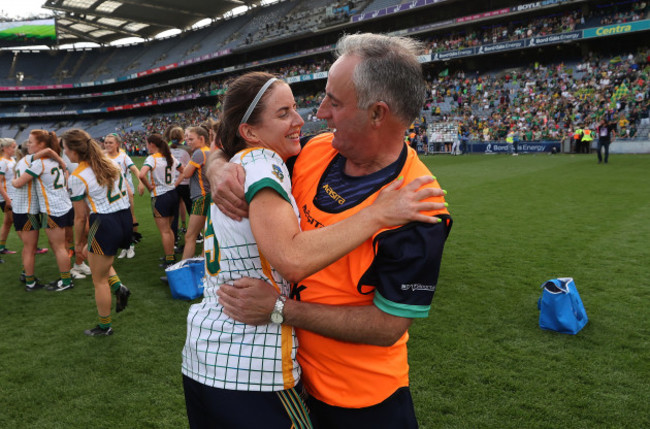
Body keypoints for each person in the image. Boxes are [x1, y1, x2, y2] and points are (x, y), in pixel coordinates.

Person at [210, 34, 451, 428]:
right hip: (289, 378)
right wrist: (219, 169)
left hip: (361, 401)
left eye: (334, 103)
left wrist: (279, 309)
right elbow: (237, 143)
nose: (319, 112)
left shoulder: (420, 209)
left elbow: (387, 327)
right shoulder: (315, 151)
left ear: (377, 113)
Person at [62, 129, 132, 336]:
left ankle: (105, 326)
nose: (65, 153)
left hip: (104, 222)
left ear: (74, 151)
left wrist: (78, 244)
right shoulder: (111, 162)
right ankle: (120, 288)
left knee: (98, 280)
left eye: (65, 149)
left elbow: (80, 217)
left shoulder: (77, 176)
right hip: (124, 218)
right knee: (101, 263)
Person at [12, 130, 74, 291]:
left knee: (55, 246)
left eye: (31, 142)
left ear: (41, 144)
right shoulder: (50, 161)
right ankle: (33, 277)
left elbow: (17, 183)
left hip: (50, 209)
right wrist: (61, 160)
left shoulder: (37, 162)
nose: (28, 144)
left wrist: (12, 181)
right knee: (60, 245)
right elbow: (51, 153)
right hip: (63, 205)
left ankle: (65, 281)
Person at [139, 133, 182, 269]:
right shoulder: (170, 157)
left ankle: (169, 260)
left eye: (147, 144)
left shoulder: (152, 159)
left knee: (164, 231)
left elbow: (141, 174)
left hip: (160, 196)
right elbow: (184, 171)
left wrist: (148, 186)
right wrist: (175, 184)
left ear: (152, 145)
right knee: (169, 229)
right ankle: (170, 255)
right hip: (173, 194)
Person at [104, 133, 144, 259]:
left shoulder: (124, 157)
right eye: (106, 142)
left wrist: (141, 182)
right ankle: (123, 245)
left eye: (110, 142)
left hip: (126, 191)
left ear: (117, 144)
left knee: (129, 217)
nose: (107, 144)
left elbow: (135, 170)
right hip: (110, 193)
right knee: (116, 220)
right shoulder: (102, 156)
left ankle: (131, 244)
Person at [174, 125, 210, 261]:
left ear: (201, 138)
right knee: (207, 233)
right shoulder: (210, 151)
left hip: (201, 196)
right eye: (187, 139)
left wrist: (178, 164)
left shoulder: (199, 153)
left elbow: (187, 173)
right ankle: (204, 262)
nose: (188, 142)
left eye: (191, 139)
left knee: (190, 236)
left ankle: (184, 268)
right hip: (208, 195)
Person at [0, 138, 18, 256]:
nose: (15, 149)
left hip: (13, 196)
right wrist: (7, 199)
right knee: (19, 222)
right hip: (8, 197)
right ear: (5, 148)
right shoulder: (2, 162)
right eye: (13, 146)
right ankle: (32, 246)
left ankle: (1, 248)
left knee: (7, 223)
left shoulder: (12, 159)